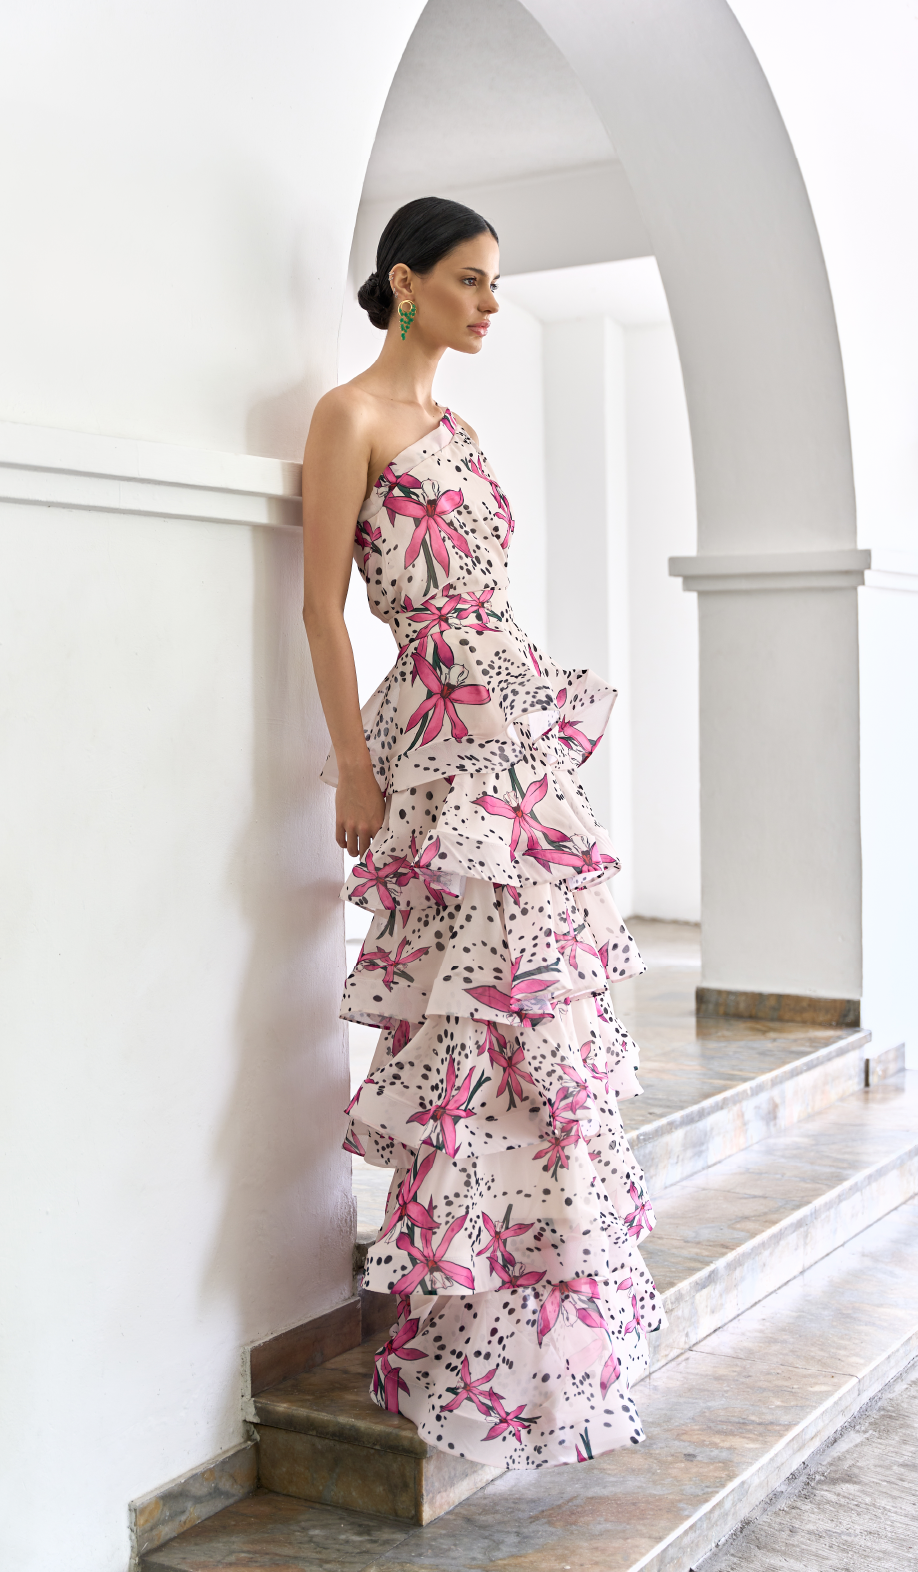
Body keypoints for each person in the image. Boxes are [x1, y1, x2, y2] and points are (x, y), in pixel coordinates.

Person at [301, 196, 663, 1470]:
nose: (491, 303)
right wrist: (353, 767)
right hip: (438, 737)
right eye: (470, 279)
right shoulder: (347, 417)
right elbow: (323, 610)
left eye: (496, 282)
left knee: (541, 1020)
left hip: (513, 734)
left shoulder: (461, 428)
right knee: (463, 1020)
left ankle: (542, 1322)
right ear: (405, 282)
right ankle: (463, 1334)